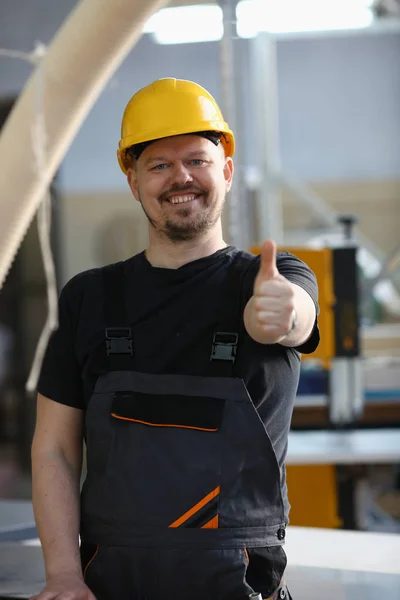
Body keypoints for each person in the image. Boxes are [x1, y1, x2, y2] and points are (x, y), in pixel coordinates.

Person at [31, 78, 319, 600]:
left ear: (226, 171)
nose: (180, 177)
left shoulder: (272, 279)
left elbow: (294, 316)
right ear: (133, 181)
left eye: (197, 160)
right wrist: (63, 575)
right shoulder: (87, 298)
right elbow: (54, 449)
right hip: (108, 582)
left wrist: (284, 314)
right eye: (159, 165)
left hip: (238, 584)